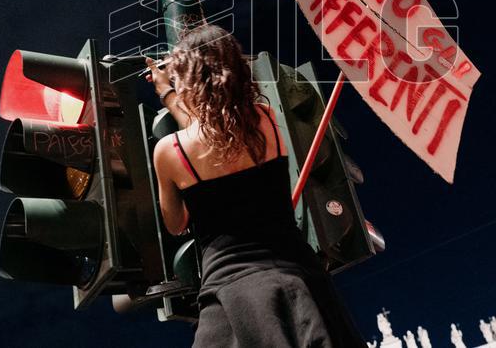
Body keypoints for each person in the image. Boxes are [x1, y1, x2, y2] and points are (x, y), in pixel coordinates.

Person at [146, 24, 365, 347]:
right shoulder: (267, 121)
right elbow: (218, 128)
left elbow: (176, 223)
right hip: (301, 281)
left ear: (188, 80)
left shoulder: (170, 152)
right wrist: (170, 94)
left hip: (232, 295)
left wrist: (166, 91)